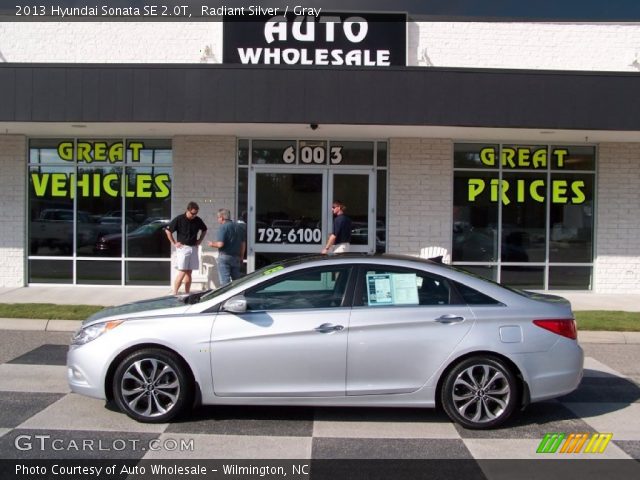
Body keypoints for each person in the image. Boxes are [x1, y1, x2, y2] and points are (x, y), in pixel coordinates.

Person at [165, 201, 208, 295]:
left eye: (196, 213)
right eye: (192, 213)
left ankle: (187, 293)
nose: (194, 215)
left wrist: (200, 240)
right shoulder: (179, 219)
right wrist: (174, 243)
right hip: (183, 248)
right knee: (182, 271)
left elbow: (204, 229)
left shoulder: (197, 220)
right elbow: (168, 231)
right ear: (187, 210)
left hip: (193, 247)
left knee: (189, 272)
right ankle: (175, 293)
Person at [208, 208, 246, 286]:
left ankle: (226, 297)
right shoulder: (239, 227)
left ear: (222, 217)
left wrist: (212, 244)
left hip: (224, 257)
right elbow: (243, 244)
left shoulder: (223, 227)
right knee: (237, 282)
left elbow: (220, 244)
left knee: (225, 283)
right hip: (236, 257)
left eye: (218, 218)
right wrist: (241, 257)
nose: (218, 220)